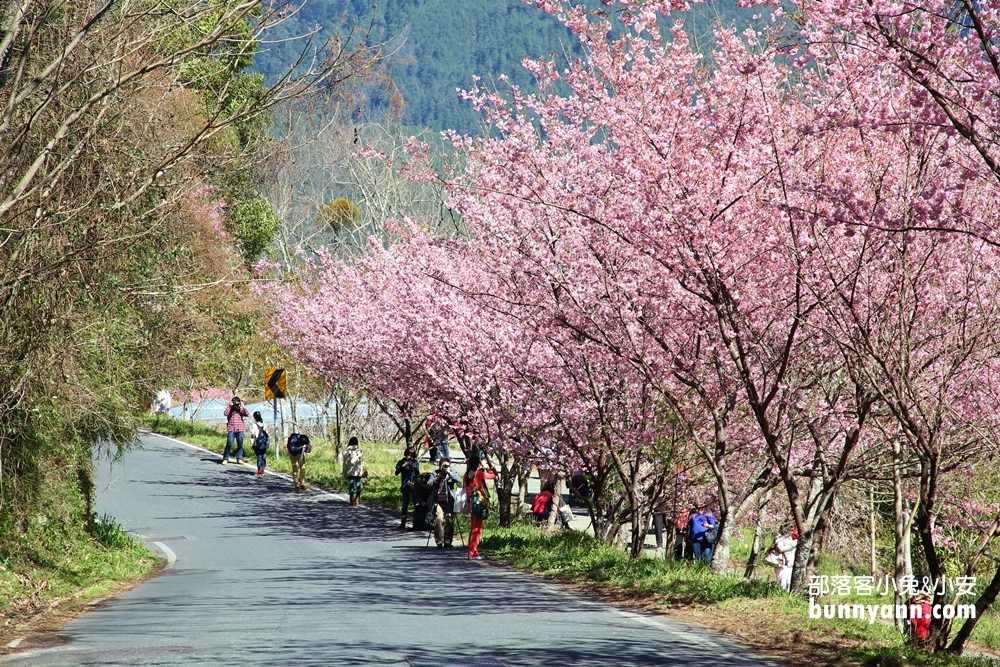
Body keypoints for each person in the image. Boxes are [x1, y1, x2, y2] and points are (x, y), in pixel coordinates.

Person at [464, 453, 496, 560]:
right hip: (479, 503)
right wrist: (486, 466)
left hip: (471, 503)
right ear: (478, 464)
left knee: (473, 528)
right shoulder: (478, 474)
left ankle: (471, 551)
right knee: (477, 529)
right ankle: (473, 552)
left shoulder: (467, 474)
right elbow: (493, 475)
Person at [430, 459, 461, 548]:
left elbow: (459, 483)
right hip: (438, 501)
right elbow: (429, 484)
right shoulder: (435, 473)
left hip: (449, 501)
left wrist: (449, 473)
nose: (445, 467)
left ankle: (448, 541)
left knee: (450, 520)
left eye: (447, 465)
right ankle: (439, 541)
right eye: (443, 465)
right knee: (438, 519)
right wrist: (438, 478)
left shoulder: (453, 472)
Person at [766, 524, 798, 591]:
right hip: (781, 562)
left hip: (790, 562)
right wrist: (794, 543)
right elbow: (781, 548)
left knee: (788, 581)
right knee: (782, 581)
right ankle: (782, 595)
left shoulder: (794, 538)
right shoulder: (779, 537)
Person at [395, 447, 420, 528]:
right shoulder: (401, 461)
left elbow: (418, 473)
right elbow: (396, 472)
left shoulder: (415, 462)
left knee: (416, 504)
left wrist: (414, 467)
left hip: (414, 485)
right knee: (405, 504)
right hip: (405, 485)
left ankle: (417, 521)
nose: (408, 457)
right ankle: (403, 522)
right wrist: (402, 466)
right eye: (407, 455)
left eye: (410, 456)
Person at [222, 396, 249, 465]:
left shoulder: (241, 409)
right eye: (235, 404)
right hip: (231, 428)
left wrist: (243, 406)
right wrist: (230, 406)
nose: (236, 405)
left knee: (240, 444)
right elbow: (225, 413)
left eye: (237, 404)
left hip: (240, 429)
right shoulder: (230, 409)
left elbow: (247, 414)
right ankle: (225, 458)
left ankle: (239, 458)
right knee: (229, 443)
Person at [342, 437, 364, 505]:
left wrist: (344, 472)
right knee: (358, 484)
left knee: (351, 485)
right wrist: (362, 469)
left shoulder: (347, 451)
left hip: (350, 470)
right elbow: (361, 461)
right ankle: (357, 498)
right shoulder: (359, 450)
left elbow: (345, 462)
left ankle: (351, 499)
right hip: (358, 470)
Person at [249, 411, 270, 477]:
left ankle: (259, 470)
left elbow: (253, 435)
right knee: (263, 455)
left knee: (259, 456)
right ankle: (263, 469)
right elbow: (267, 434)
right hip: (264, 443)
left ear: (254, 417)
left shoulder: (254, 425)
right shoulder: (265, 424)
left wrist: (251, 443)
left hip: (257, 443)